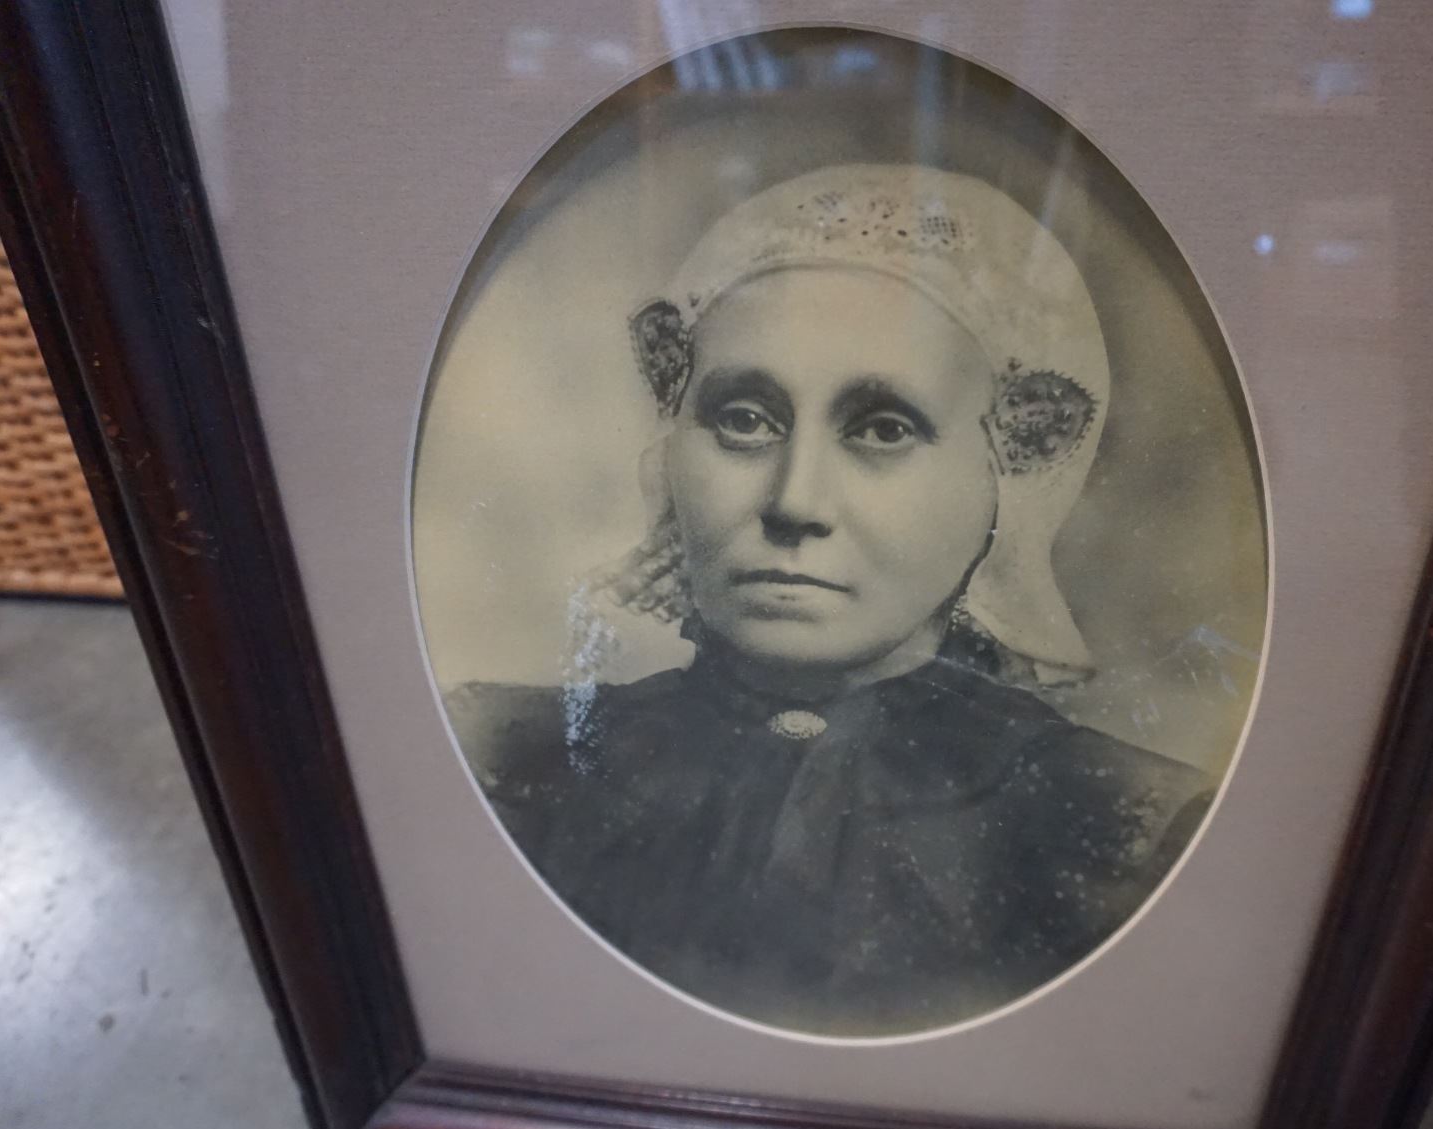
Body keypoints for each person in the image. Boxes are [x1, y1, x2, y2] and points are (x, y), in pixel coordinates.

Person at [449, 164, 1212, 1037]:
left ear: (1008, 467)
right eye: (744, 418)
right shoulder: (506, 763)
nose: (795, 502)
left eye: (883, 429)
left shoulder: (1121, 830)